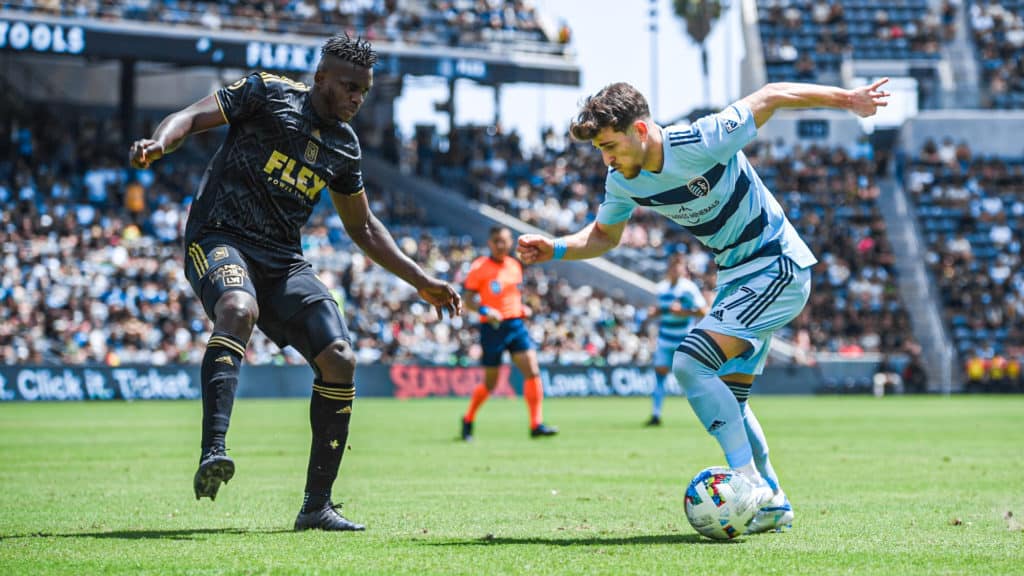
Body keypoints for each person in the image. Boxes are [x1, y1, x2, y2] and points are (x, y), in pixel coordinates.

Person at [518, 78, 890, 533]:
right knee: (730, 397)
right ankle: (774, 504)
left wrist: (848, 99)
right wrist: (554, 247)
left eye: (610, 145)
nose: (606, 159)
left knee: (692, 364)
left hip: (777, 263)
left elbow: (770, 95)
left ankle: (751, 485)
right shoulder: (622, 181)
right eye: (599, 149)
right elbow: (603, 236)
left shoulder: (700, 139)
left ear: (640, 129)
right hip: (736, 277)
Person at [128, 33, 461, 532]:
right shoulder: (266, 94)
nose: (356, 99)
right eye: (349, 87)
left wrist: (420, 280)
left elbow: (364, 227)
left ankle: (317, 506)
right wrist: (161, 142)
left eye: (363, 92)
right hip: (220, 236)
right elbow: (194, 116)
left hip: (282, 259)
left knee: (340, 360)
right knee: (239, 309)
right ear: (320, 78)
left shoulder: (344, 147)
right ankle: (213, 451)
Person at [460, 227, 557, 440]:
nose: (500, 245)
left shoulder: (515, 266)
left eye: (504, 241)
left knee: (532, 371)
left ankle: (536, 424)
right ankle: (468, 419)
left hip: (515, 325)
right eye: (496, 241)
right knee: (491, 384)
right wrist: (485, 310)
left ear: (511, 242)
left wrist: (522, 309)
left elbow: (511, 296)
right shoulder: (479, 267)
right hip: (492, 328)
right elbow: (467, 300)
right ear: (489, 243)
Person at [646, 252, 708, 426]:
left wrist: (684, 312)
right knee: (660, 375)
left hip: (684, 339)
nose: (675, 270)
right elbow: (662, 310)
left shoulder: (688, 288)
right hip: (665, 338)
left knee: (691, 378)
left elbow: (704, 311)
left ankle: (705, 413)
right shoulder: (662, 288)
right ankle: (656, 414)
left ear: (682, 269)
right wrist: (656, 312)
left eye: (678, 267)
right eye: (672, 267)